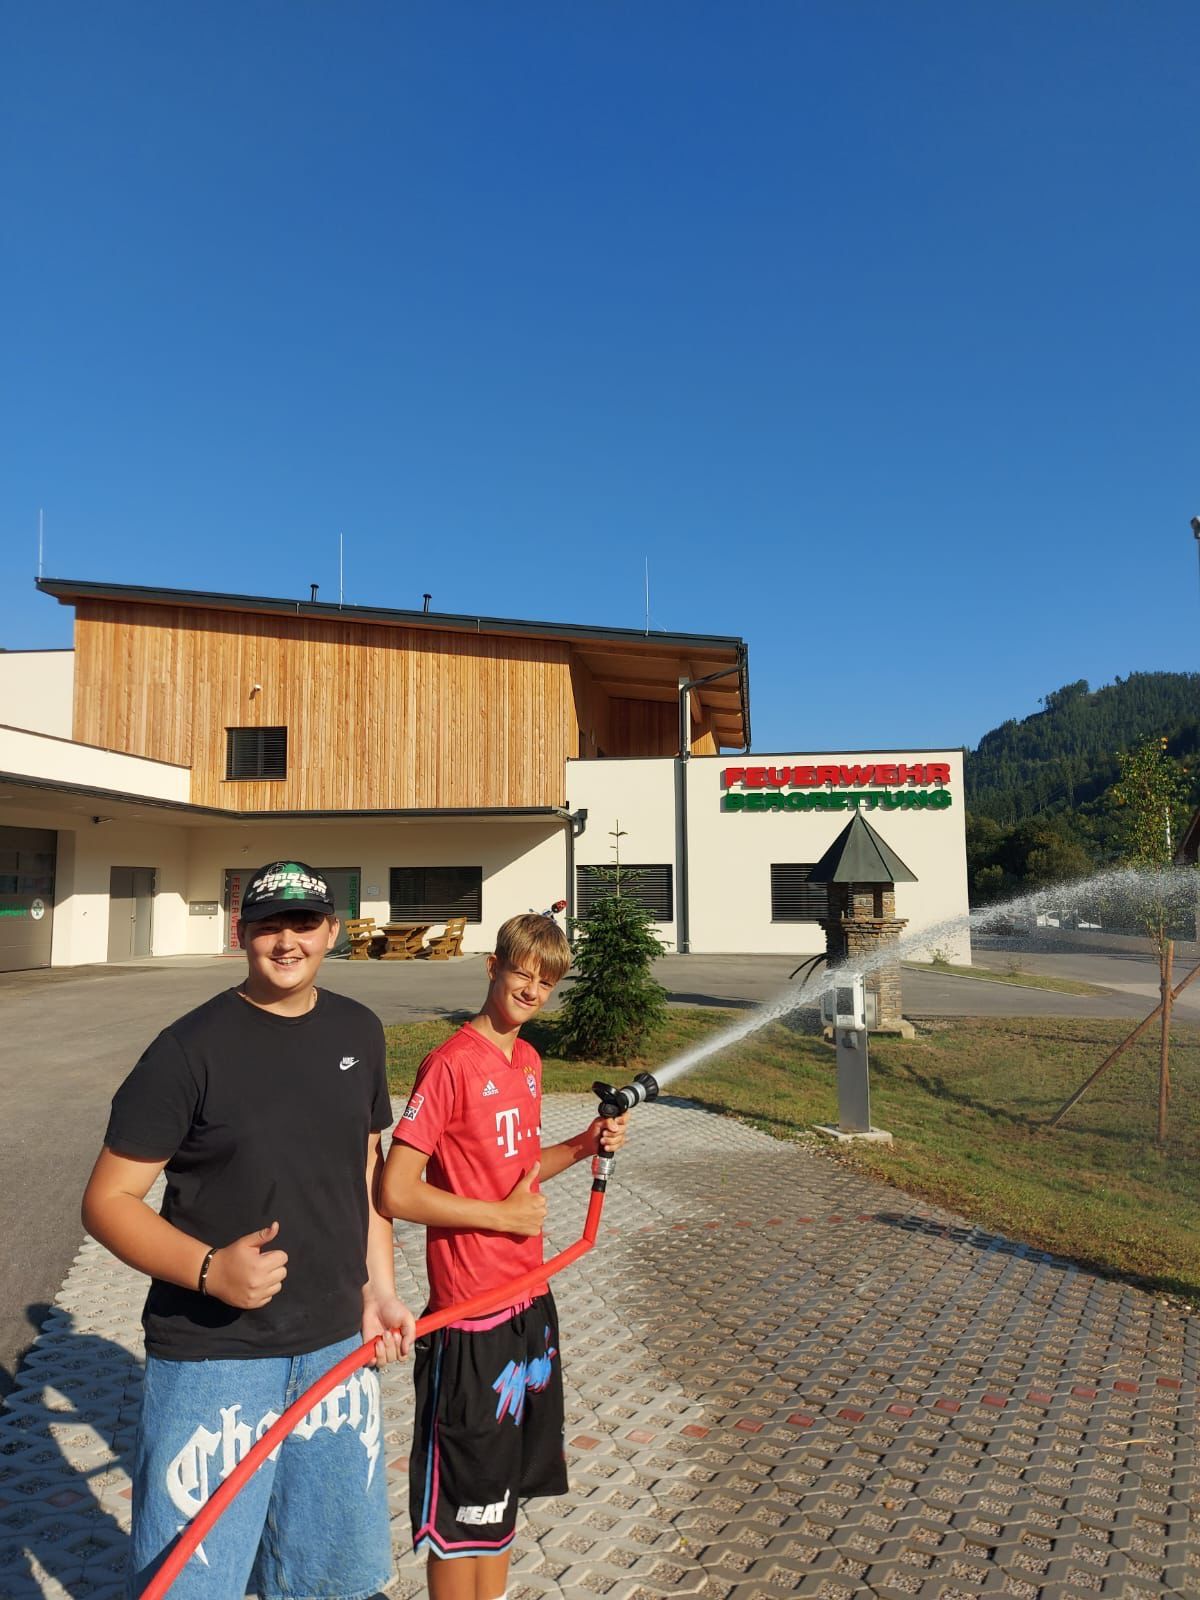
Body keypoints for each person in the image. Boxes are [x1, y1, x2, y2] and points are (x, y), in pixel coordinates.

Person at [81, 860, 416, 1600]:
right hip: (214, 1360)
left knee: (332, 1583)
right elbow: (108, 1200)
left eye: (304, 923)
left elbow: (364, 1170)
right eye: (269, 925)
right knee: (193, 1585)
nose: (287, 941)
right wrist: (209, 1271)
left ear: (333, 931)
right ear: (243, 935)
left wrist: (378, 1294)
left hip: (333, 1347)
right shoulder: (187, 1050)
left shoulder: (358, 1029)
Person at [382, 912, 628, 1600]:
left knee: (501, 1499)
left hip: (529, 1309)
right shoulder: (451, 1062)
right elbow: (395, 1188)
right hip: (469, 1325)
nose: (530, 989)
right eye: (520, 972)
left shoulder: (528, 1060)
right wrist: (499, 1217)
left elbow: (518, 1173)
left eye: (545, 981)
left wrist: (585, 1145)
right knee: (462, 1511)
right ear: (493, 968)